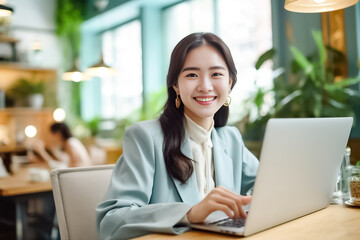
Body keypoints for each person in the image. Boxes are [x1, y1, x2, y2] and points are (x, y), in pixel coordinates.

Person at [96, 32, 259, 239]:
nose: (205, 86)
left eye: (216, 74)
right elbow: (111, 221)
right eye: (192, 75)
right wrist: (189, 214)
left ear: (230, 83)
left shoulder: (230, 138)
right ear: (176, 86)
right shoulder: (146, 138)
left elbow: (267, 186)